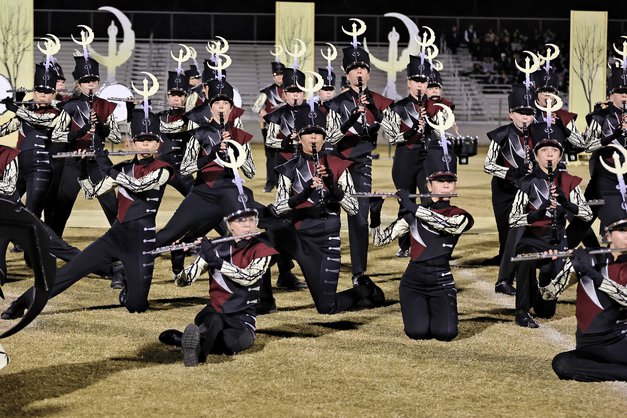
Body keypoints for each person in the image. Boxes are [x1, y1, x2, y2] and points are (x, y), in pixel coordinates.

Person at [1, 106, 173, 318]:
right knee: (69, 272)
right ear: (133, 142)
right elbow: (93, 191)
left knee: (136, 306)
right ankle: (22, 302)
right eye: (141, 140)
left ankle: (128, 287)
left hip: (140, 242)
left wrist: (106, 166)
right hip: (115, 236)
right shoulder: (124, 167)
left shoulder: (163, 169)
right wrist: (83, 171)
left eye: (150, 140)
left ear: (158, 144)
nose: (145, 144)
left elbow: (138, 186)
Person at [266, 101, 385, 314]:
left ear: (324, 137)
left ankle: (365, 291)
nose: (313, 137)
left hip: (324, 241)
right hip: (296, 236)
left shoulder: (338, 166)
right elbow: (278, 208)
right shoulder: (288, 169)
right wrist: (301, 196)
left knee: (326, 307)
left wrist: (333, 188)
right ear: (299, 136)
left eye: (318, 133)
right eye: (308, 133)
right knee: (262, 243)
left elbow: (354, 208)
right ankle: (264, 300)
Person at [370, 144, 473, 341]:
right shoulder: (412, 215)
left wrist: (413, 207)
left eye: (450, 182)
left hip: (441, 282)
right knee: (417, 333)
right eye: (440, 181)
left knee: (446, 334)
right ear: (428, 186)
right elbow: (379, 240)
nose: (445, 185)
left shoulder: (460, 215)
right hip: (413, 282)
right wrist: (374, 215)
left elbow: (447, 226)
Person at [158, 203, 277, 367]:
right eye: (241, 220)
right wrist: (177, 263)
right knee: (214, 321)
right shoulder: (215, 246)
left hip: (241, 318)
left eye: (251, 219)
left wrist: (216, 261)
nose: (248, 225)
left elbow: (248, 278)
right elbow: (185, 281)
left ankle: (185, 341)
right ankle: (197, 353)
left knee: (231, 343)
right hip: (213, 312)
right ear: (229, 224)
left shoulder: (263, 250)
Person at [325, 40, 393, 285]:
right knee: (329, 215)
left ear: (369, 73)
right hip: (335, 162)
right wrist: (352, 119)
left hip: (361, 164)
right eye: (354, 68)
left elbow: (393, 134)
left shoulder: (379, 101)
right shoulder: (335, 104)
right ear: (347, 73)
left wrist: (376, 109)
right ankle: (328, 264)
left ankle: (358, 272)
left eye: (363, 68)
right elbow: (331, 137)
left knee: (359, 217)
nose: (359, 72)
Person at [540, 191, 627, 382]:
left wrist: (593, 274)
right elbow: (548, 296)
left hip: (620, 340)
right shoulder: (589, 258)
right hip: (589, 346)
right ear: (607, 235)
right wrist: (546, 272)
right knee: (561, 363)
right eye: (622, 230)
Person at [509, 127, 592, 327]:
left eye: (553, 151)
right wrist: (535, 215)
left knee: (546, 311)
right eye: (544, 151)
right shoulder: (527, 182)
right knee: (526, 259)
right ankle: (521, 311)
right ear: (536, 156)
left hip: (556, 241)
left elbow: (587, 214)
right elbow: (512, 219)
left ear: (560, 156)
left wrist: (568, 204)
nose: (549, 154)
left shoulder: (570, 181)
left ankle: (540, 290)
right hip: (532, 239)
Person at [47, 54, 121, 238]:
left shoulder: (106, 106)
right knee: (61, 208)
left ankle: (125, 246)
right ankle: (51, 248)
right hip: (73, 160)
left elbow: (116, 137)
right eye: (86, 81)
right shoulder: (70, 106)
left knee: (113, 207)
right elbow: (56, 135)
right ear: (79, 84)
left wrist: (101, 126)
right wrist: (79, 134)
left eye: (93, 81)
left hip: (99, 161)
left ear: (97, 82)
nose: (90, 85)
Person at [566, 66, 627, 248]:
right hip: (604, 178)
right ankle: (561, 253)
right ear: (610, 95)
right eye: (620, 92)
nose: (624, 96)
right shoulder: (599, 117)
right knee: (584, 216)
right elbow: (588, 145)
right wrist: (614, 135)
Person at [484, 84, 536, 293]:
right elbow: (488, 165)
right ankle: (505, 279)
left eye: (529, 113)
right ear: (510, 114)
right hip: (504, 190)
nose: (525, 118)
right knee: (507, 233)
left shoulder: (538, 135)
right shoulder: (501, 135)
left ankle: (516, 277)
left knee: (526, 234)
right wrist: (510, 173)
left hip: (527, 191)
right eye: (520, 113)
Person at [0, 63, 60, 218]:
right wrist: (18, 109)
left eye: (47, 92)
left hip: (40, 167)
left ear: (53, 94)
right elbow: (8, 127)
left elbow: (38, 120)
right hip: (18, 167)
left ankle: (31, 243)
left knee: (32, 212)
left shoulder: (56, 112)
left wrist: (16, 108)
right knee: (6, 207)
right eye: (39, 91)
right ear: (34, 93)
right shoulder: (25, 111)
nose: (43, 95)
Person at [158, 70, 194, 196]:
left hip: (180, 165)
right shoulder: (159, 116)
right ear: (168, 98)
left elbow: (170, 128)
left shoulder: (191, 117)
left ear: (185, 98)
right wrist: (131, 111)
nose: (176, 99)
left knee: (194, 196)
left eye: (180, 96)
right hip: (158, 165)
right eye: (173, 95)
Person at [251, 60, 285, 193]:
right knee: (270, 156)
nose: (279, 77)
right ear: (273, 76)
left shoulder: (290, 89)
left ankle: (282, 181)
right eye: (276, 74)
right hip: (270, 127)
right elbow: (255, 106)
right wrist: (261, 111)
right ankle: (270, 182)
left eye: (281, 74)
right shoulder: (267, 91)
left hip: (286, 128)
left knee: (285, 154)